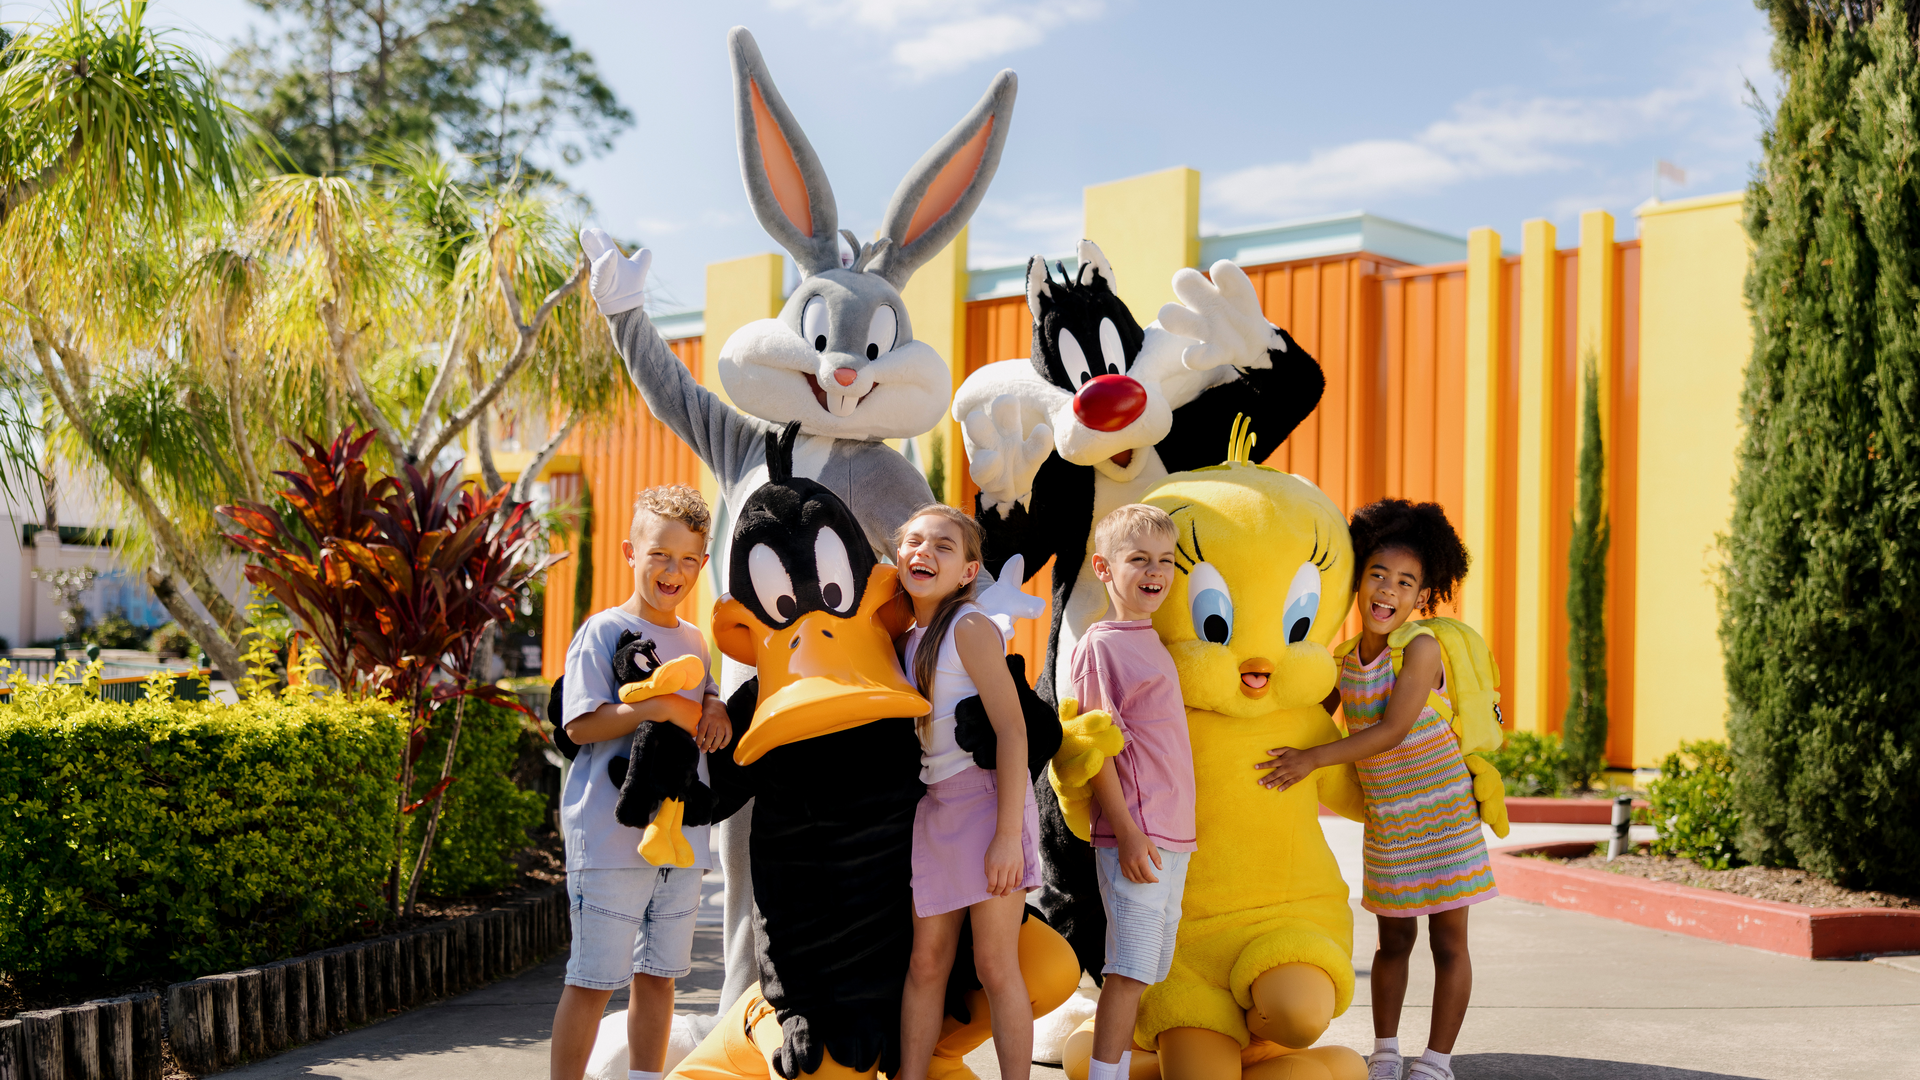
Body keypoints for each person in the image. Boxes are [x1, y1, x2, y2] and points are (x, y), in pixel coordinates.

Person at [1256, 498, 1496, 1080]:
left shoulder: (1421, 648)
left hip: (1444, 815)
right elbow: (1307, 715)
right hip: (1391, 821)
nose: (1388, 591)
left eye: (1405, 582)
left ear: (1423, 595)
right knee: (1392, 944)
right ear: (1358, 580)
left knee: (1448, 942)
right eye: (1378, 576)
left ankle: (1437, 1060)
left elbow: (1390, 731)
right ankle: (1385, 1050)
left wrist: (1311, 759)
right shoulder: (1341, 660)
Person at [550, 485, 732, 1080]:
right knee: (594, 980)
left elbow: (703, 696)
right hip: (608, 837)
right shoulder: (604, 631)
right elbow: (579, 724)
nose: (672, 570)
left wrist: (712, 707)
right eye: (659, 554)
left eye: (686, 559)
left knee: (661, 977)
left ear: (702, 565)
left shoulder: (696, 641)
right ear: (631, 551)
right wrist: (658, 709)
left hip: (680, 842)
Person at [893, 504, 1041, 1080]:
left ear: (968, 571)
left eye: (943, 546)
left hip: (987, 804)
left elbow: (1013, 731)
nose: (923, 552)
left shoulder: (970, 627)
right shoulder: (904, 637)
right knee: (926, 961)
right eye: (913, 542)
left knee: (994, 964)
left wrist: (1008, 837)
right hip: (937, 808)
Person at [1072, 503, 1195, 1080]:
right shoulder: (1101, 644)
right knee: (1126, 970)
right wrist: (1126, 831)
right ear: (1103, 568)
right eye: (1139, 559)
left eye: (1166, 561)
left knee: (1145, 967)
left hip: (1170, 834)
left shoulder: (1150, 639)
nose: (1156, 571)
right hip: (1137, 834)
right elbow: (1094, 745)